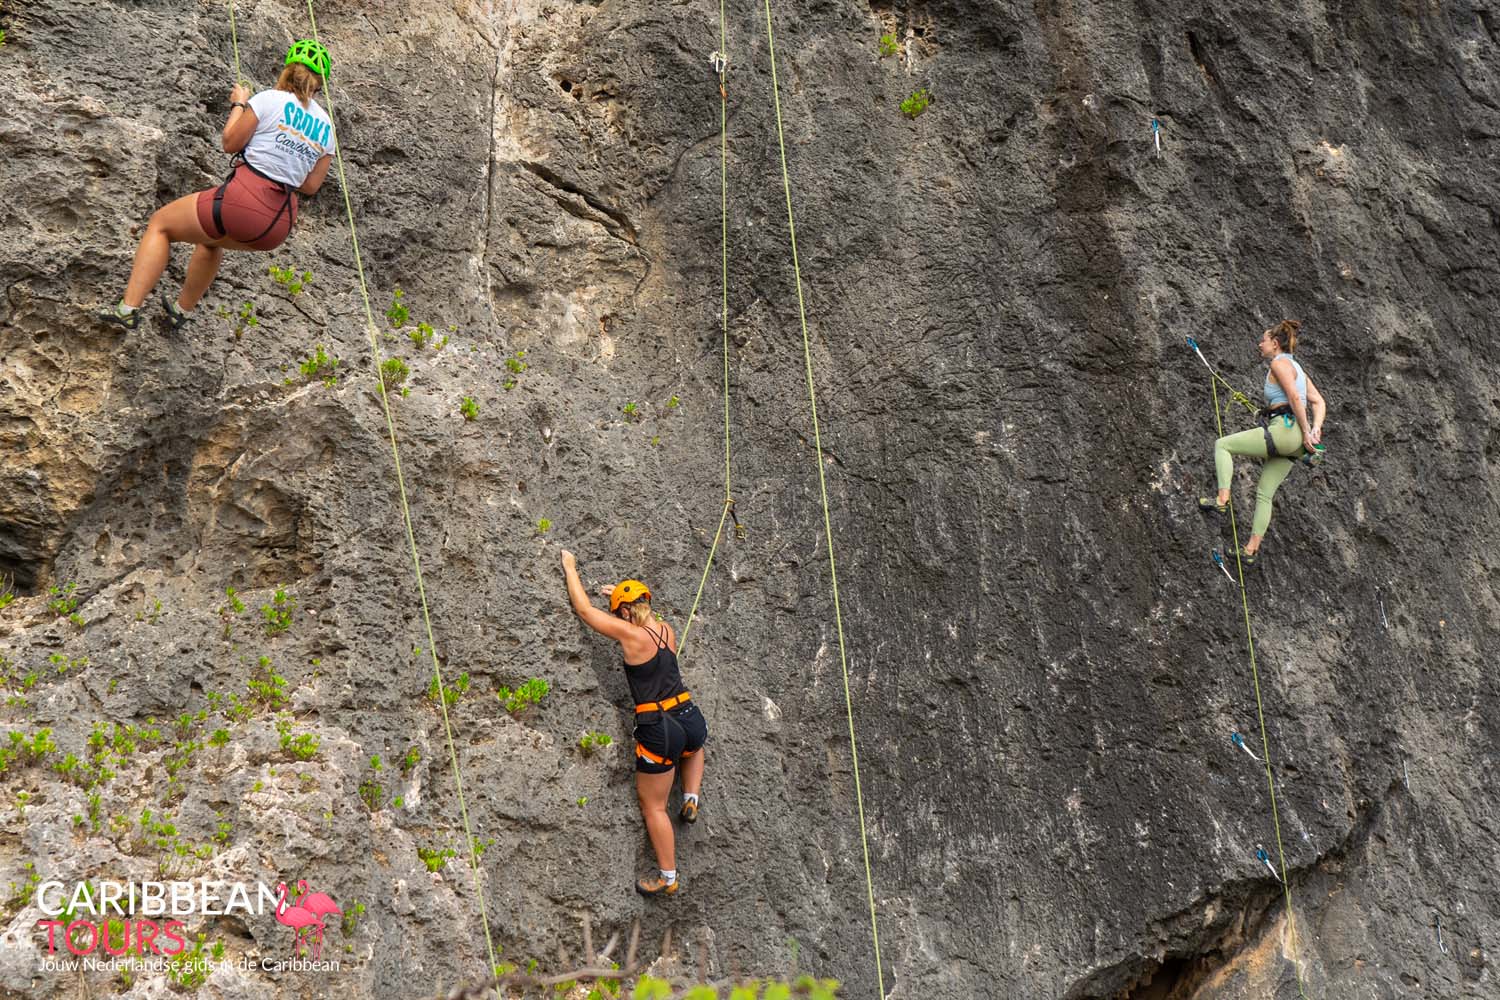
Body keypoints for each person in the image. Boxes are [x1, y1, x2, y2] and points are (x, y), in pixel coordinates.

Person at [97, 40, 335, 332]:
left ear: (287, 71)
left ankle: (127, 309)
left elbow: (229, 142)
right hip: (278, 224)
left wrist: (239, 103)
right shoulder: (325, 126)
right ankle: (180, 312)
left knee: (160, 224)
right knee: (210, 240)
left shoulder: (270, 99)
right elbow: (310, 186)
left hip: (243, 201)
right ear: (320, 84)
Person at [560, 550, 707, 897]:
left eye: (620, 612)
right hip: (688, 717)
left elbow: (585, 611)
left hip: (658, 728)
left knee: (653, 805)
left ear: (625, 613)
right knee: (695, 746)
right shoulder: (666, 630)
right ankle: (691, 797)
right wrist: (621, 596)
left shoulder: (631, 636)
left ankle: (668, 878)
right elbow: (641, 614)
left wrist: (570, 567)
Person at [1199, 320, 1327, 564]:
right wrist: (1315, 430)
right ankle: (1250, 550)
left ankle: (1221, 500)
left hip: (1286, 430)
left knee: (1223, 445)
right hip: (1296, 443)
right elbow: (1319, 401)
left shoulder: (1278, 363)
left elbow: (1292, 397)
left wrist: (1307, 428)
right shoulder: (1298, 369)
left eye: (1264, 341)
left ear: (1275, 344)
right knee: (1264, 494)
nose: (1260, 344)